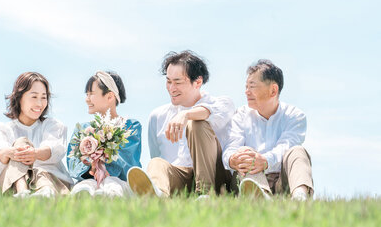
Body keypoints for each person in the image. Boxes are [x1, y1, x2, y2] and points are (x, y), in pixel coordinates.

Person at [128, 51, 234, 197]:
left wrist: (185, 114)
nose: (171, 88)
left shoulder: (223, 103)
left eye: (177, 82)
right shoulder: (157, 116)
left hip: (216, 177)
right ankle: (159, 195)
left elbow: (210, 112)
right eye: (168, 81)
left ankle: (204, 194)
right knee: (157, 163)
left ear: (198, 82)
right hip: (181, 176)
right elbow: (156, 154)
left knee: (197, 124)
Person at [222, 60, 314, 200]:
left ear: (273, 90)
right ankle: (260, 195)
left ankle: (299, 198)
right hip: (249, 179)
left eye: (252, 86)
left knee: (298, 151)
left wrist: (265, 161)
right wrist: (231, 159)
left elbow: (285, 146)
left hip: (282, 182)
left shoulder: (295, 116)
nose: (246, 92)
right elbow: (231, 146)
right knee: (245, 154)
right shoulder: (240, 115)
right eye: (246, 86)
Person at [0, 72, 72, 197]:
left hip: (49, 181)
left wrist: (35, 154)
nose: (39, 104)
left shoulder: (52, 125)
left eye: (43, 97)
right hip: (11, 185)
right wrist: (11, 153)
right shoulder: (3, 129)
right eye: (34, 97)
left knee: (39, 172)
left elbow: (56, 149)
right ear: (19, 97)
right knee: (20, 145)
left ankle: (29, 193)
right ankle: (22, 191)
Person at [67, 71, 142, 197]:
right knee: (84, 187)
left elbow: (129, 163)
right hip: (88, 178)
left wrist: (101, 162)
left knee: (112, 185)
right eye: (86, 94)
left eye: (91, 94)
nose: (87, 99)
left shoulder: (130, 126)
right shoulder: (83, 129)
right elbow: (73, 162)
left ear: (110, 97)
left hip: (119, 181)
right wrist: (90, 168)